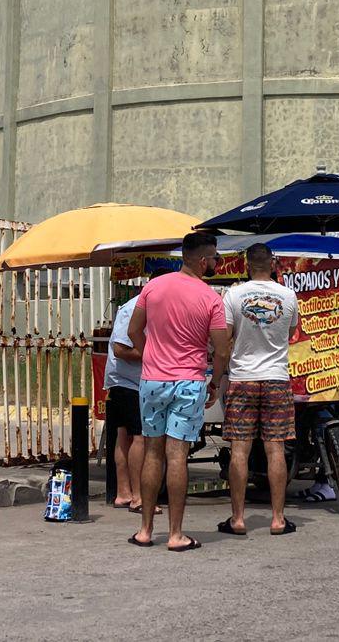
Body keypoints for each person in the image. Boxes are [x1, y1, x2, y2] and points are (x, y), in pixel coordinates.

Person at [128, 232, 231, 552]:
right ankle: (175, 534)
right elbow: (222, 348)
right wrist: (214, 381)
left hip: (152, 382)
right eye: (214, 258)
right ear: (203, 261)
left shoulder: (153, 287)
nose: (216, 262)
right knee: (177, 456)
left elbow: (134, 330)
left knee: (152, 452)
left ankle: (145, 530)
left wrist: (150, 356)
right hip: (188, 382)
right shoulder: (210, 298)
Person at [218, 244, 300, 536]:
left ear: (246, 263)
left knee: (239, 449)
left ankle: (237, 519)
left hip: (243, 378)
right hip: (277, 378)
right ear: (273, 263)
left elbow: (225, 338)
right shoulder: (288, 295)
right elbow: (290, 333)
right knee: (275, 449)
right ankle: (278, 519)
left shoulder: (234, 295)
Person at [105, 268, 171, 512]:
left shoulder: (143, 306)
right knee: (140, 437)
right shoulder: (136, 308)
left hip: (125, 381)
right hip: (128, 381)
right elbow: (121, 349)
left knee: (124, 437)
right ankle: (139, 497)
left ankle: (124, 493)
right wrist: (154, 356)